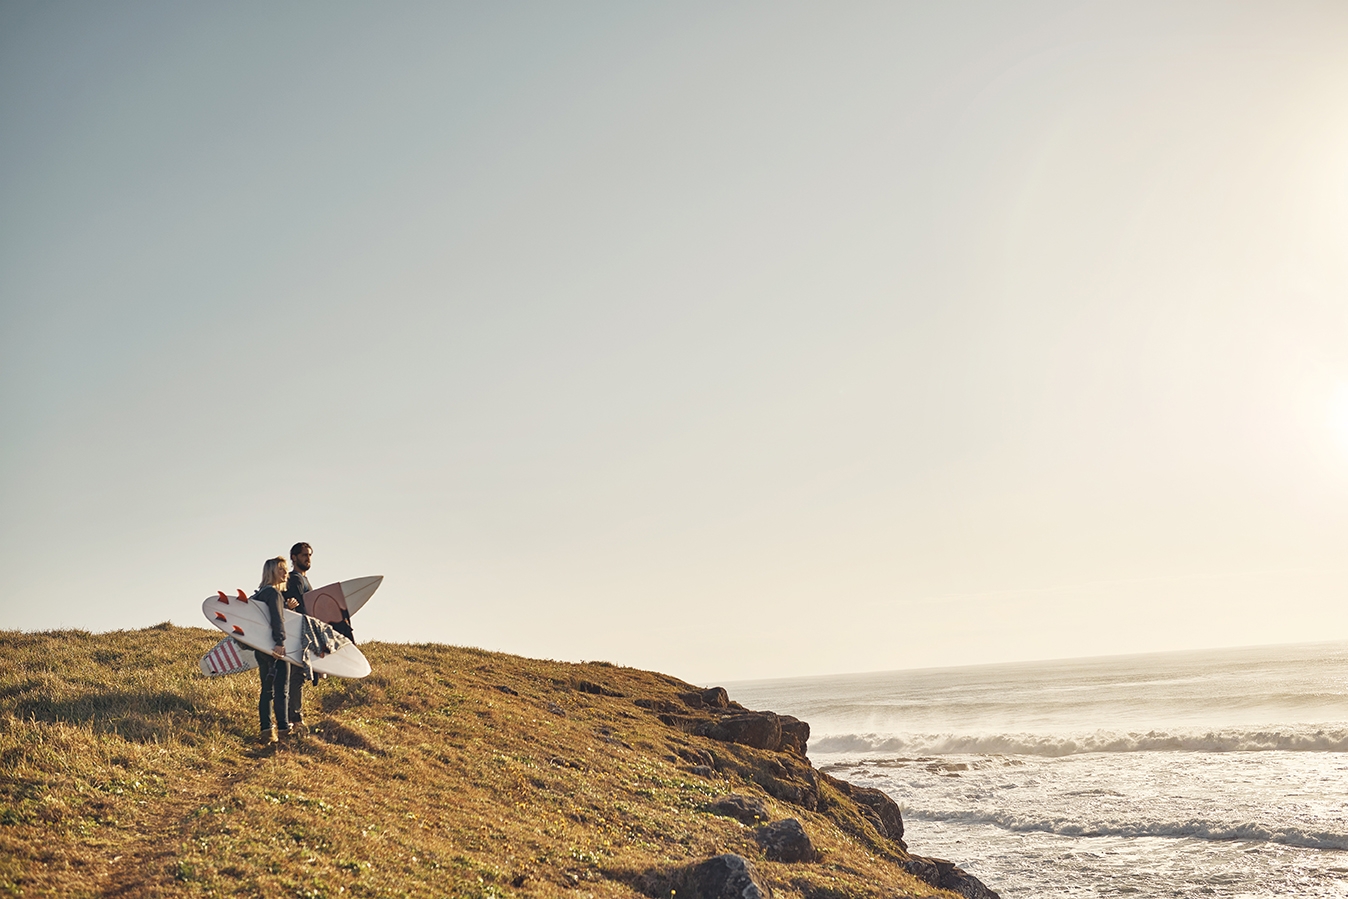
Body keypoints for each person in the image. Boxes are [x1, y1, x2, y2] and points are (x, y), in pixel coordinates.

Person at [252, 556, 291, 744]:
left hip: (261, 648)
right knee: (281, 688)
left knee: (266, 690)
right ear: (272, 572)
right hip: (275, 647)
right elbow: (277, 619)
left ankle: (266, 730)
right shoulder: (274, 594)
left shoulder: (260, 594)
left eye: (285, 569)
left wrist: (286, 608)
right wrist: (280, 641)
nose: (285, 573)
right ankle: (283, 729)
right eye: (281, 569)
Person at [283, 542, 314, 732]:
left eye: (310, 555)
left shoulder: (305, 580)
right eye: (304, 555)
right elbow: (297, 609)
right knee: (296, 676)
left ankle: (293, 717)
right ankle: (294, 719)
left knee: (297, 676)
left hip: (303, 633)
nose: (308, 558)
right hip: (296, 633)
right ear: (293, 558)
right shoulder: (294, 579)